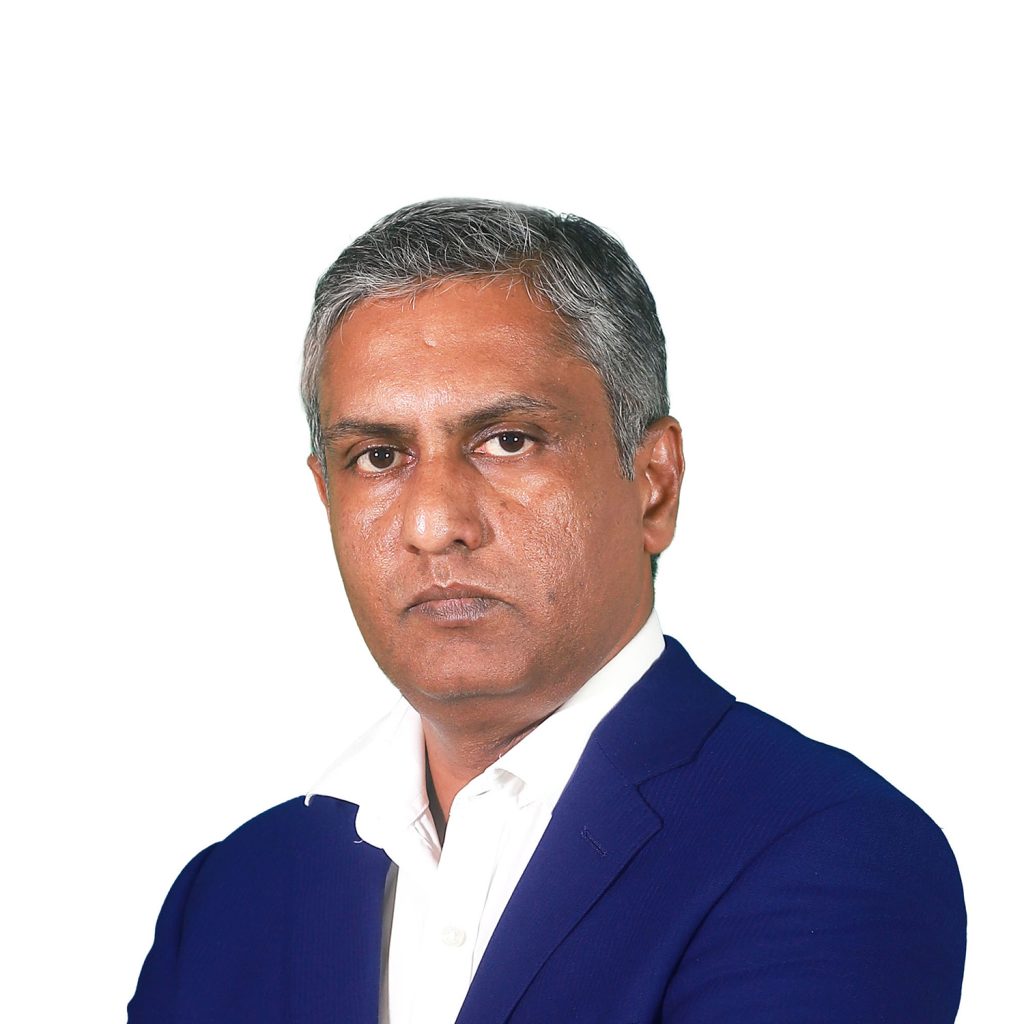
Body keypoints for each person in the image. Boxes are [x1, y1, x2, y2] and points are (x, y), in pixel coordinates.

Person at [128, 199, 966, 1023]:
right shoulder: (228, 900)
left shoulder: (828, 849)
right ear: (326, 496)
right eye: (378, 456)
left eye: (508, 441)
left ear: (653, 482)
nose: (434, 523)